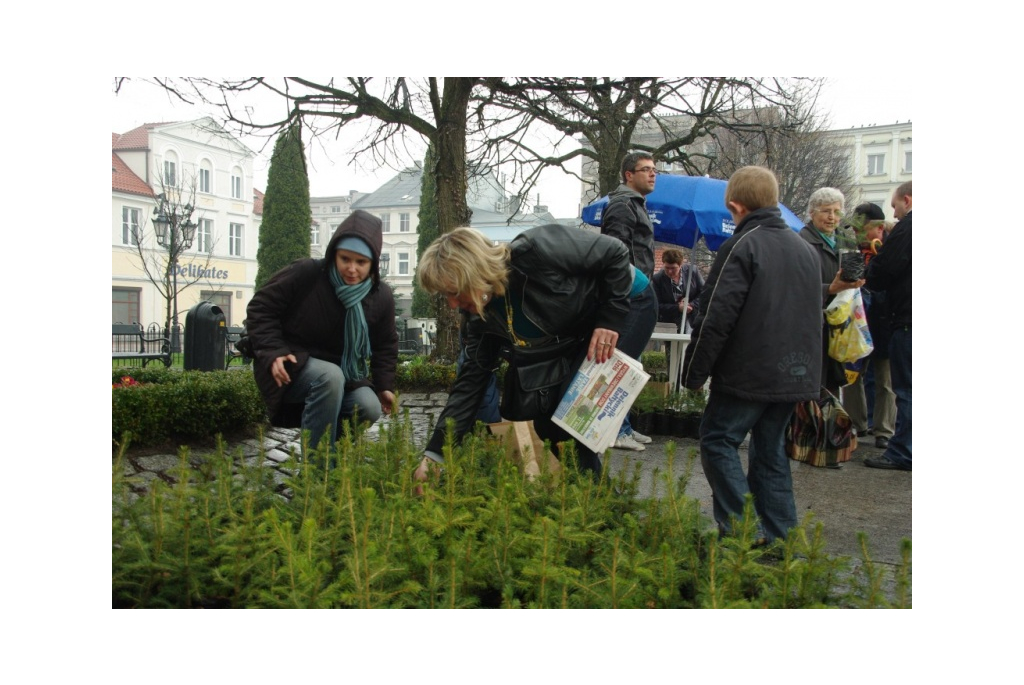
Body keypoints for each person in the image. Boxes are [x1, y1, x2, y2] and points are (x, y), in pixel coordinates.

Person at [413, 224, 636, 486]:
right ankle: (595, 499)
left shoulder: (537, 250)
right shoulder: (479, 320)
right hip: (578, 329)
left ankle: (599, 501)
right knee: (547, 425)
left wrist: (610, 320)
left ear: (472, 272)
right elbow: (469, 385)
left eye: (453, 292)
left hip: (625, 303)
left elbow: (616, 253)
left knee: (569, 416)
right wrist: (434, 455)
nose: (451, 304)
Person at [682, 166, 822, 544]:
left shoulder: (742, 246)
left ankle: (744, 532)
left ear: (735, 206)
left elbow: (715, 317)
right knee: (770, 453)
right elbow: (813, 317)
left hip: (749, 372)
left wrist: (694, 373)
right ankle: (781, 539)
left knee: (717, 440)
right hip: (794, 374)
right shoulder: (804, 249)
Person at [246, 209, 398, 452]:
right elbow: (261, 307)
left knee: (368, 407)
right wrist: (274, 351)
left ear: (373, 264)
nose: (351, 269)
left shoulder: (381, 296)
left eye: (361, 262)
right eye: (345, 259)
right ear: (334, 255)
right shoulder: (308, 273)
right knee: (329, 376)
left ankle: (329, 456)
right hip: (291, 364)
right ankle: (316, 472)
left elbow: (385, 344)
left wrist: (384, 386)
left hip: (345, 375)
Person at [600, 151, 659, 451]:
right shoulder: (623, 205)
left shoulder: (633, 204)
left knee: (629, 362)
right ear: (628, 175)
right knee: (621, 362)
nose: (652, 174)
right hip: (631, 297)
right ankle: (615, 430)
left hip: (637, 294)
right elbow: (615, 255)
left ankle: (622, 425)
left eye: (654, 170)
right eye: (645, 169)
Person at [864, 181, 912, 471]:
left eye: (895, 207)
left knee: (905, 390)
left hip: (907, 320)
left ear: (907, 199)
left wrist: (868, 273)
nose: (894, 215)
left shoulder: (909, 228)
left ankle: (903, 451)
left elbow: (885, 269)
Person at [799, 187, 865, 396]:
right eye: (826, 211)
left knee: (832, 388)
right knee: (811, 386)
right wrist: (830, 288)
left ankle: (831, 428)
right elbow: (795, 288)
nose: (832, 217)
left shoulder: (845, 241)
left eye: (837, 212)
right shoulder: (801, 242)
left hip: (839, 324)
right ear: (812, 213)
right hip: (810, 325)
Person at [840, 203, 896, 448]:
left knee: (885, 378)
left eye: (861, 229)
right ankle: (857, 423)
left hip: (884, 320)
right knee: (852, 376)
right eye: (855, 229)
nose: (857, 234)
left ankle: (883, 430)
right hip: (859, 320)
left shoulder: (893, 247)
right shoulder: (853, 250)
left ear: (878, 228)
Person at [653, 248, 704, 332]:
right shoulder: (657, 279)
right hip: (669, 324)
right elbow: (657, 305)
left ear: (681, 265)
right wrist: (677, 308)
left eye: (673, 268)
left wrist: (691, 305)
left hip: (692, 320)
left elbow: (704, 293)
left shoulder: (693, 271)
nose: (669, 271)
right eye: (666, 268)